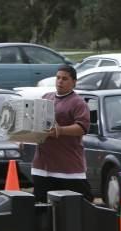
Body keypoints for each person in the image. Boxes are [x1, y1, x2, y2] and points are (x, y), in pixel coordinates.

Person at [32, 65, 92, 203]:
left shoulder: (78, 103)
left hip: (68, 169)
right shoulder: (46, 98)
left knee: (79, 208)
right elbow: (35, 122)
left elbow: (82, 128)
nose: (60, 81)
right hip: (42, 167)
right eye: (58, 78)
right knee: (42, 210)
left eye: (65, 79)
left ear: (74, 82)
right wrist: (24, 137)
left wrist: (60, 130)